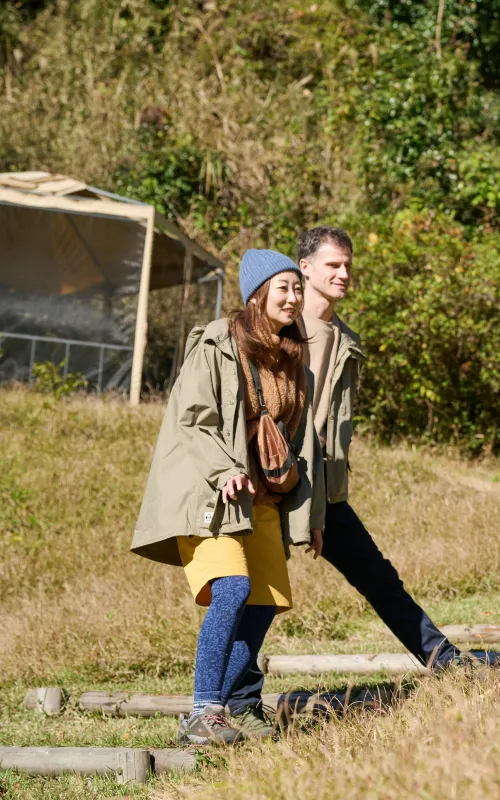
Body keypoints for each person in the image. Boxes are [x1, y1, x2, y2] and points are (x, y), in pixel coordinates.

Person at [225, 227, 494, 737]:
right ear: (303, 268)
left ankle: (444, 659)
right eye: (332, 266)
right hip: (270, 479)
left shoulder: (344, 340)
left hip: (318, 485)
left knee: (377, 575)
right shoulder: (273, 322)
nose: (343, 274)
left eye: (348, 266)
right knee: (258, 596)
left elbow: (331, 426)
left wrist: (325, 503)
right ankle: (234, 700)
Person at [131, 249, 325, 745]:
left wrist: (310, 516)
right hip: (212, 491)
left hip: (262, 500)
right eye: (283, 287)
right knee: (233, 590)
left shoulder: (292, 359)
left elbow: (302, 443)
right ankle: (203, 711)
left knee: (264, 603)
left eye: (297, 288)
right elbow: (193, 416)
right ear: (257, 294)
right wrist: (224, 470)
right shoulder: (219, 342)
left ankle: (223, 709)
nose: (293, 296)